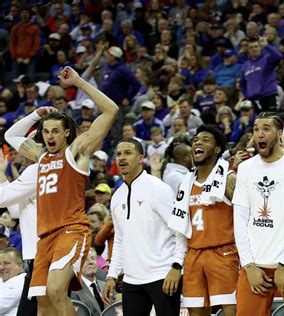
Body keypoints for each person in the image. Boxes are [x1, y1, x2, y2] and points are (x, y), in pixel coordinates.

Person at [4, 66, 119, 315]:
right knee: (43, 305)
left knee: (56, 290)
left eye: (55, 131)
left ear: (67, 132)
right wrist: (35, 115)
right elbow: (11, 136)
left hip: (71, 229)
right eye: (46, 132)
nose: (50, 136)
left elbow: (111, 110)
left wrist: (78, 82)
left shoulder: (76, 151)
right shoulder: (40, 157)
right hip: (44, 239)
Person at [232, 112, 284, 315]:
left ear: (280, 133)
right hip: (255, 265)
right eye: (256, 129)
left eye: (266, 129)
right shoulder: (245, 168)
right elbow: (240, 219)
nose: (259, 134)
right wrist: (248, 265)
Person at [103, 138, 185, 316]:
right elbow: (119, 238)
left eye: (127, 153)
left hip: (163, 275)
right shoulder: (117, 196)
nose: (122, 158)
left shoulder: (159, 189)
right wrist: (112, 274)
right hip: (131, 280)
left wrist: (177, 267)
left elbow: (180, 231)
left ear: (140, 158)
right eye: (118, 154)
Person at [168, 125, 239, 315]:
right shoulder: (186, 182)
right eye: (196, 140)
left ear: (217, 150)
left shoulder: (228, 179)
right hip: (193, 256)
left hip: (224, 253)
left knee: (232, 312)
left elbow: (245, 220)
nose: (198, 142)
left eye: (205, 140)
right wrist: (176, 264)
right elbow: (181, 230)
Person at [0, 155, 38, 316]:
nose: (23, 156)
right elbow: (15, 210)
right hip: (34, 256)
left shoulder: (37, 171)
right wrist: (2, 172)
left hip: (41, 255)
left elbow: (3, 198)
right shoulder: (32, 176)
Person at [240, 37, 283, 112]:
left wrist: (267, 45)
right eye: (251, 47)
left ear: (260, 47)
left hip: (268, 96)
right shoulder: (245, 66)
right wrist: (248, 97)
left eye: (256, 46)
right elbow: (242, 84)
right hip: (253, 100)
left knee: (270, 121)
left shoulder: (267, 59)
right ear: (248, 50)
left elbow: (278, 56)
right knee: (258, 123)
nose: (254, 49)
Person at [71, 248, 106, 316]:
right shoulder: (74, 291)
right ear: (78, 265)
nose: (91, 262)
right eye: (86, 259)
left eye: (93, 258)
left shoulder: (106, 286)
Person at [0, 247, 26, 315]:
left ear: (20, 265)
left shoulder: (23, 281)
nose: (1, 267)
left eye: (6, 263)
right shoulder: (2, 280)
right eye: (0, 263)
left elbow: (1, 305)